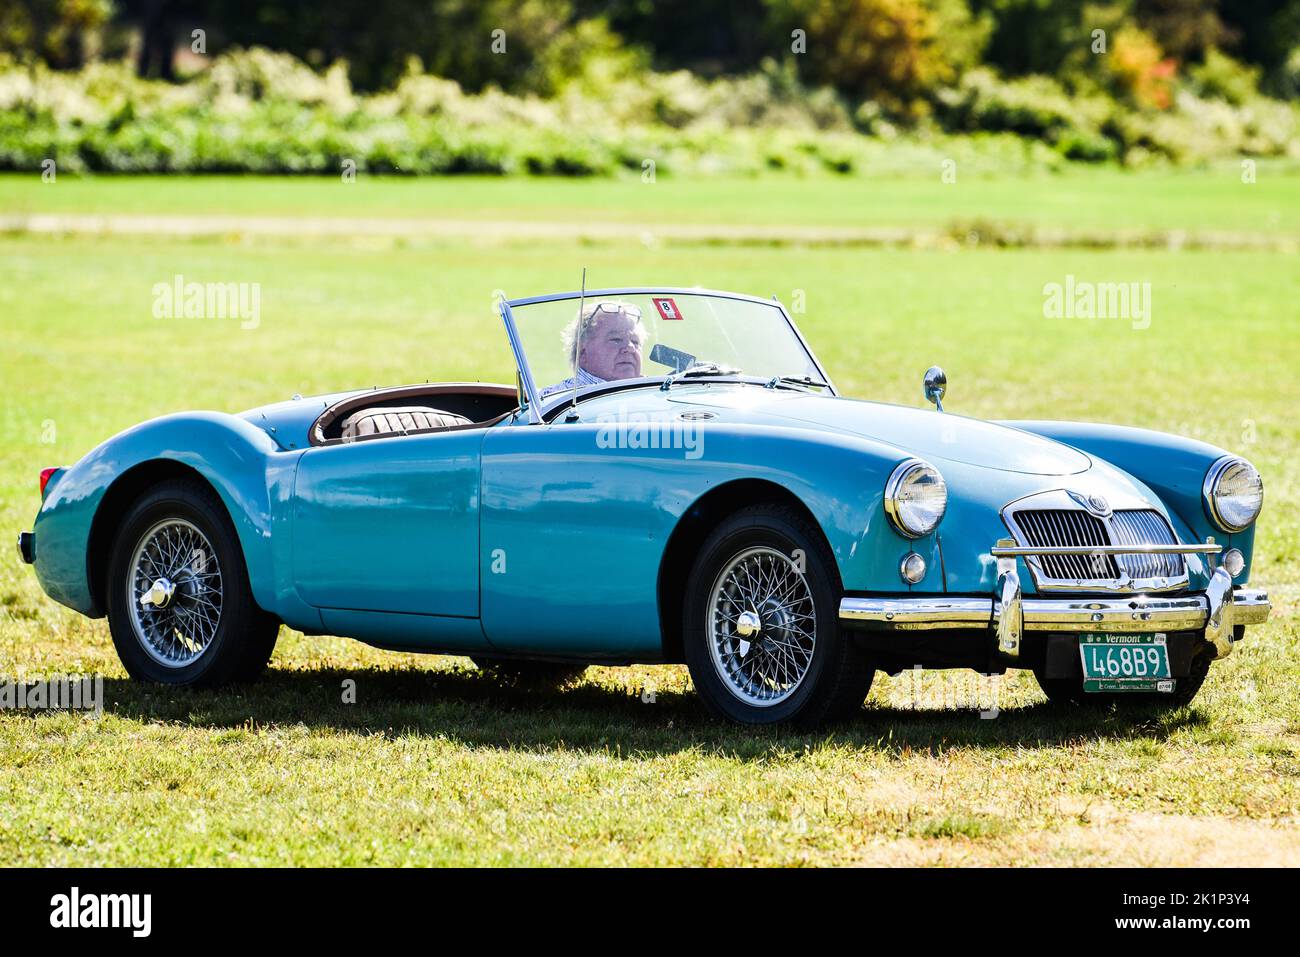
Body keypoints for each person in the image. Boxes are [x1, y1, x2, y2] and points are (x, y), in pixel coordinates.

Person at [541, 301, 647, 398]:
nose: (630, 348)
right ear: (582, 353)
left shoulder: (656, 393)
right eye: (616, 339)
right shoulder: (554, 400)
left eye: (635, 342)